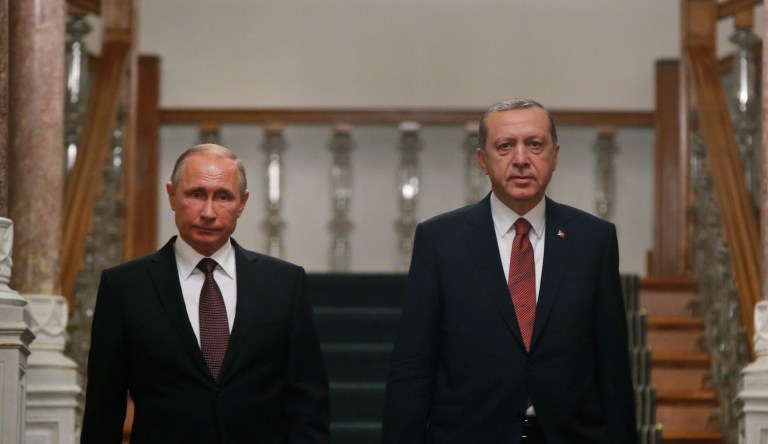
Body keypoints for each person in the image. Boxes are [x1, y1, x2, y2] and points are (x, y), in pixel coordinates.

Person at [382, 99, 637, 443]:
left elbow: (613, 368)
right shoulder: (440, 240)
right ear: (483, 161)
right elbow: (413, 365)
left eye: (534, 144)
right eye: (505, 146)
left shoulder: (594, 240)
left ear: (555, 156)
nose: (520, 159)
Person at [81, 144, 330, 443]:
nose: (209, 212)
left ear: (242, 203)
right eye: (196, 194)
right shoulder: (124, 287)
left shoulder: (285, 284)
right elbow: (103, 409)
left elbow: (308, 402)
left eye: (223, 196)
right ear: (172, 196)